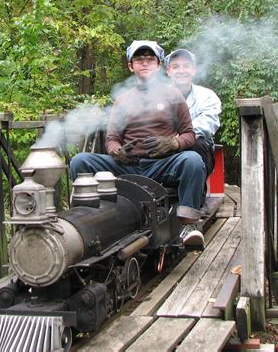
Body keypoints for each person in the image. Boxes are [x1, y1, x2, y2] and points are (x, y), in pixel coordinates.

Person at [70, 40, 206, 246]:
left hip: (162, 165)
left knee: (193, 160)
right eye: (139, 59)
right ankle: (89, 219)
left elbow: (189, 134)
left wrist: (173, 144)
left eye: (150, 59)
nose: (145, 63)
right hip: (128, 165)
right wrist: (117, 152)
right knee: (80, 161)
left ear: (159, 65)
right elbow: (112, 139)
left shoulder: (173, 95)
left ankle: (188, 226)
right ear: (130, 65)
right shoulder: (122, 100)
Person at [164, 49, 221, 177]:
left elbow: (208, 125)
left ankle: (197, 192)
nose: (181, 71)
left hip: (197, 150)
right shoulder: (158, 95)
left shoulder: (207, 96)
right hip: (164, 152)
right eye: (176, 66)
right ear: (168, 71)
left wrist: (179, 139)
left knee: (196, 142)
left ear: (194, 70)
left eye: (186, 66)